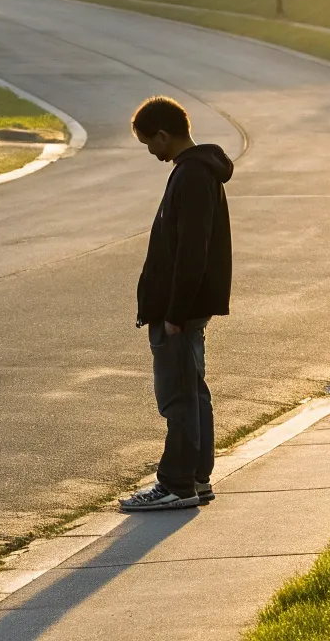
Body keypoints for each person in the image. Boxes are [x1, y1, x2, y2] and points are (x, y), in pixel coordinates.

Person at [119, 95, 234, 513]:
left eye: (150, 142)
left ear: (164, 135)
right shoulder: (197, 172)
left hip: (178, 312)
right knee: (192, 390)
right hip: (182, 309)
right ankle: (197, 478)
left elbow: (191, 253)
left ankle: (176, 483)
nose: (151, 152)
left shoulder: (191, 176)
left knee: (177, 397)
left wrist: (174, 313)